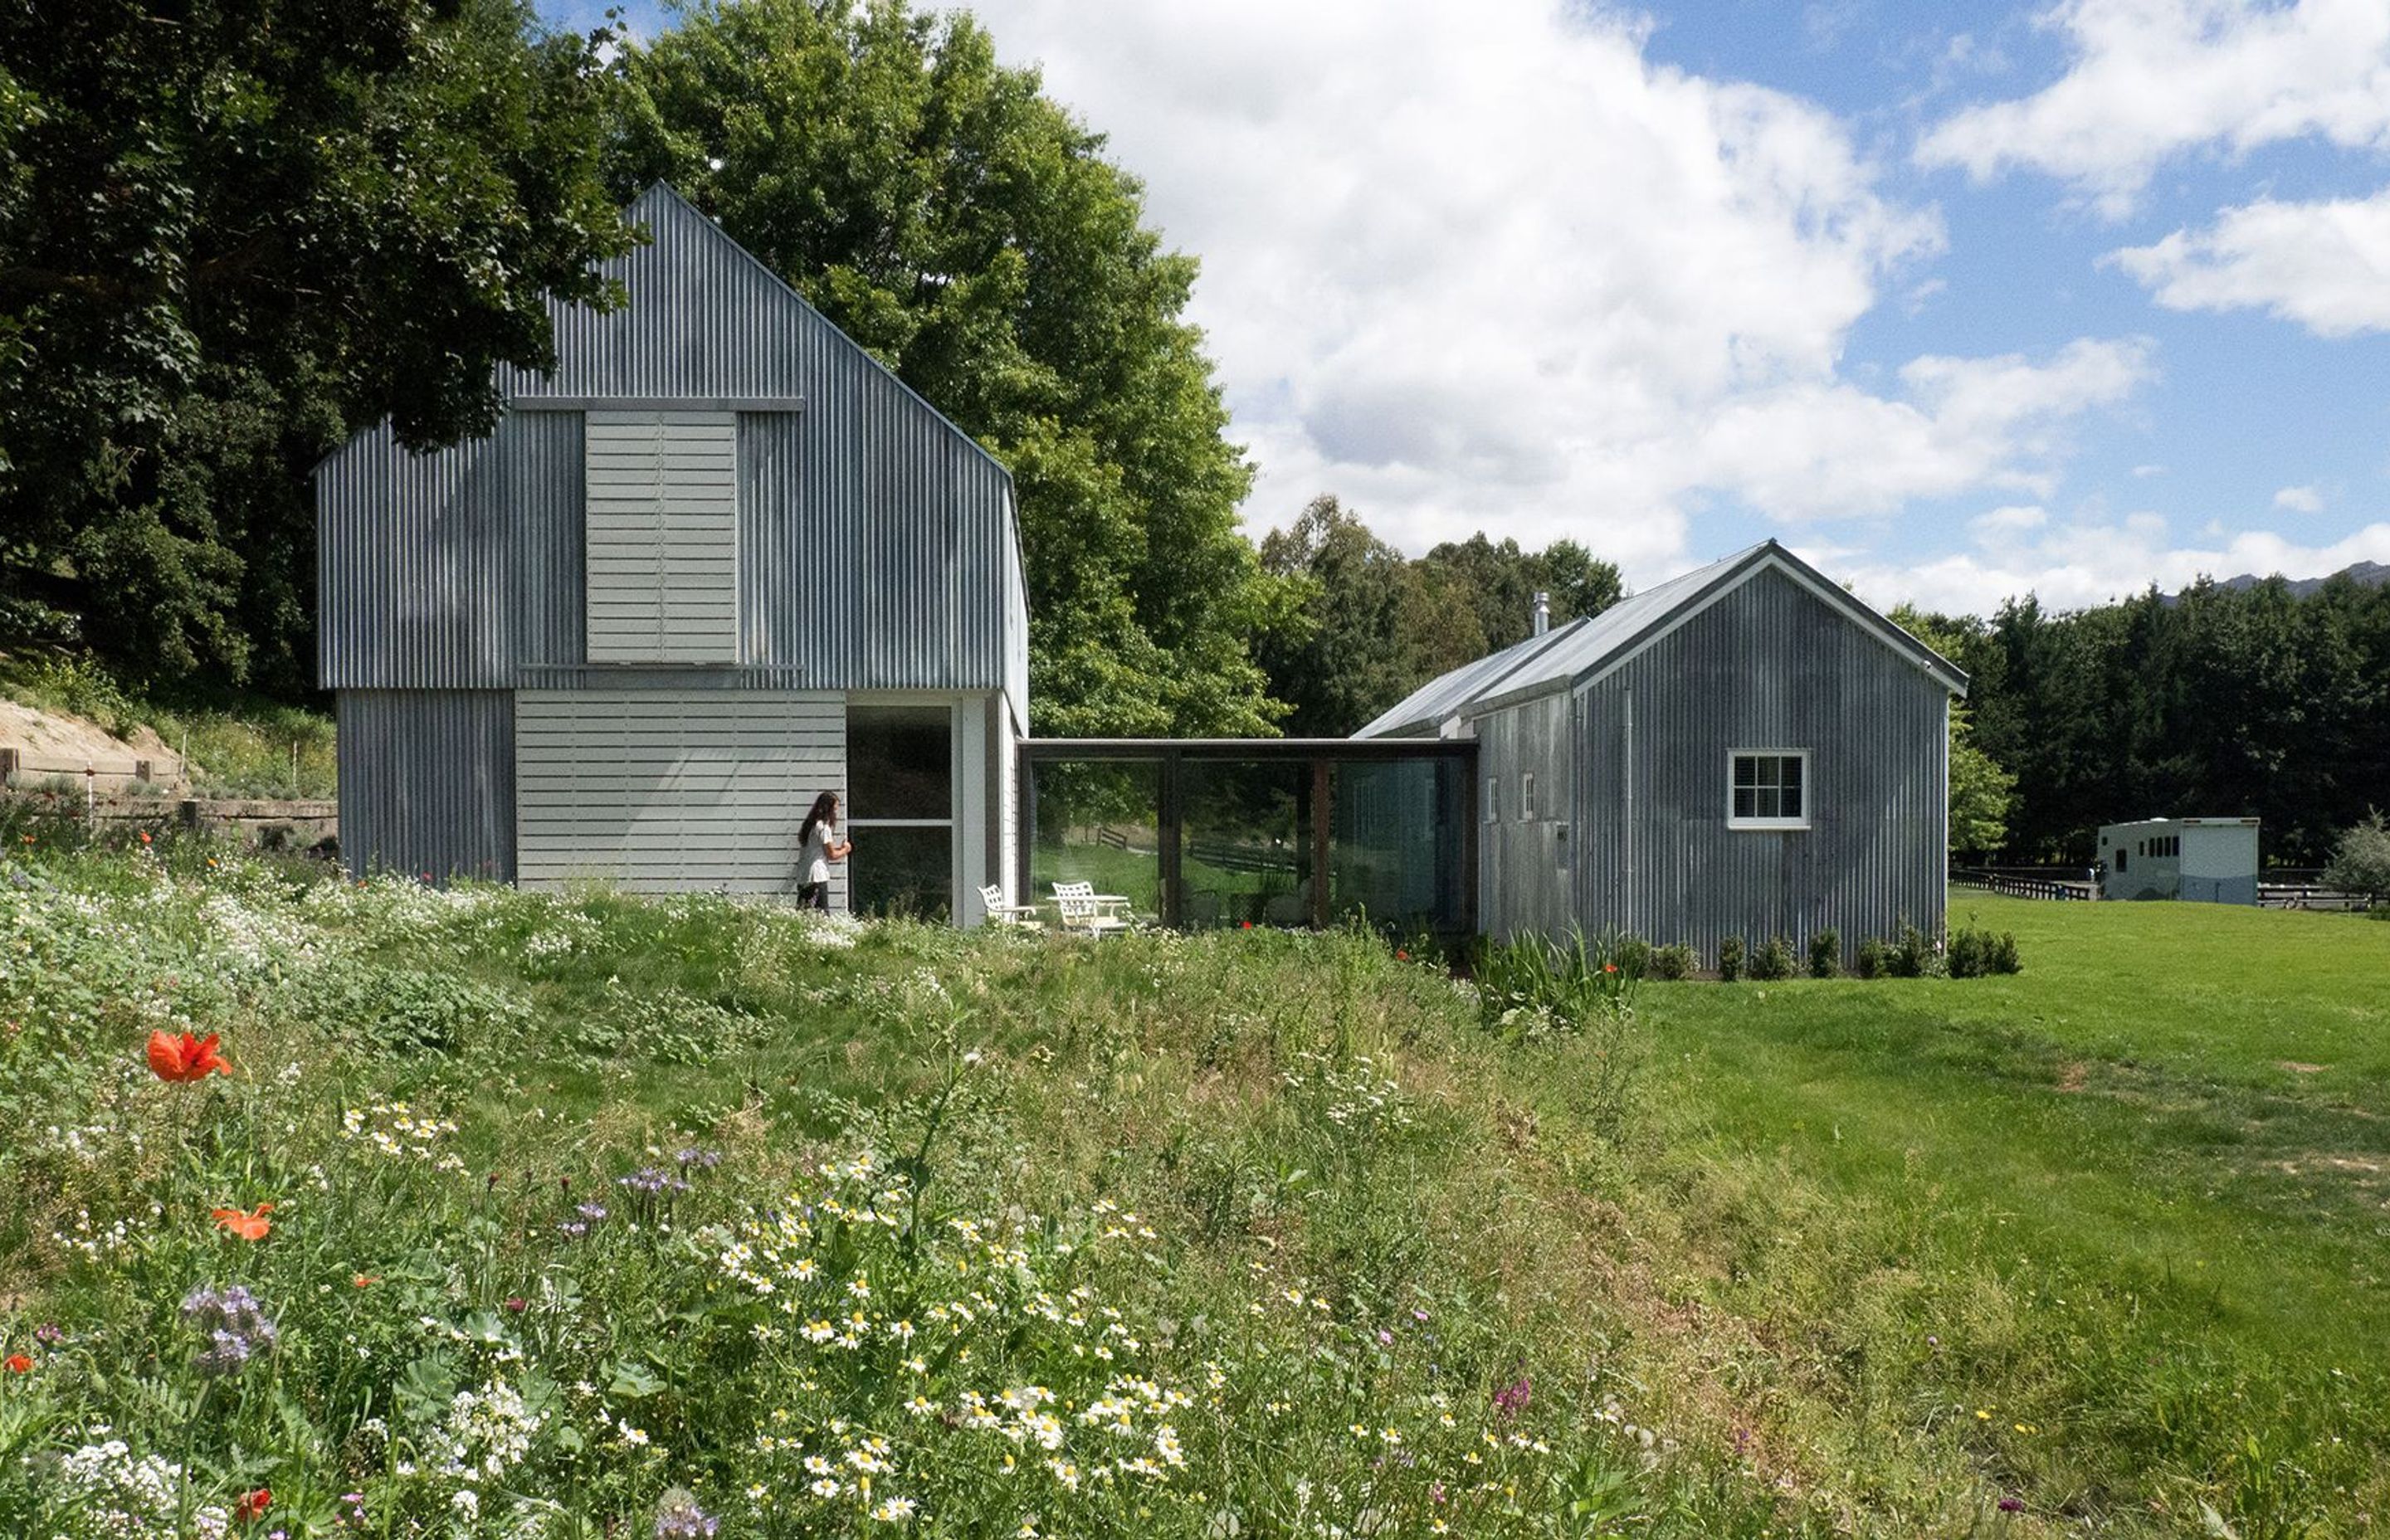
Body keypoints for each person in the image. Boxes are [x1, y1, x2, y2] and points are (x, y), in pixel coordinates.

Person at [796, 791, 851, 910]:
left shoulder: (810, 826)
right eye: (835, 810)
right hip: (817, 876)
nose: (836, 814)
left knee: (803, 914)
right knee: (822, 915)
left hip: (804, 875)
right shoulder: (824, 828)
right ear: (829, 810)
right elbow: (831, 855)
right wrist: (845, 849)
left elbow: (818, 849)